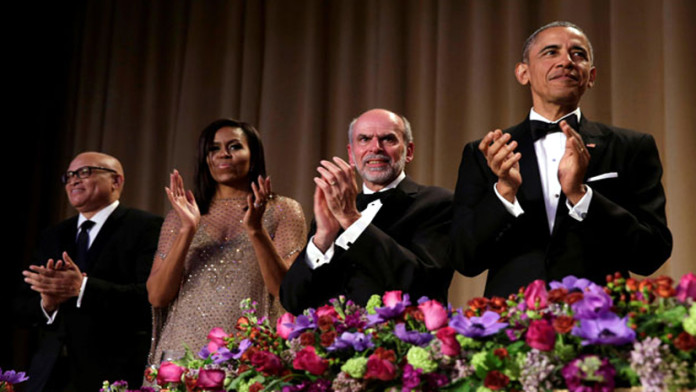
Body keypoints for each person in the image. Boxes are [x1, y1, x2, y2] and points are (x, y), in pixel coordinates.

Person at [451, 21, 672, 297]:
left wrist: (582, 195)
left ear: (590, 76)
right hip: (512, 326)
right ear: (523, 73)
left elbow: (651, 254)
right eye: (550, 52)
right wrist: (504, 192)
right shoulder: (487, 152)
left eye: (577, 54)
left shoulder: (632, 147)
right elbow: (465, 260)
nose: (566, 61)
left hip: (602, 325)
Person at [146, 119, 306, 364]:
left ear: (253, 155)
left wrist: (256, 230)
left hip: (248, 351)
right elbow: (157, 296)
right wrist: (187, 229)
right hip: (181, 353)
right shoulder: (181, 216)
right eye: (214, 148)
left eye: (234, 146)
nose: (223, 154)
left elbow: (286, 292)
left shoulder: (283, 210)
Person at [280, 108, 454, 315]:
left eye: (388, 139)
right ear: (351, 154)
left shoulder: (439, 203)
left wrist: (353, 220)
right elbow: (292, 301)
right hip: (331, 343)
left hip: (401, 342)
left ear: (409, 151)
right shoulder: (333, 211)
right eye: (364, 139)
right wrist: (322, 239)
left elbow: (424, 284)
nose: (375, 148)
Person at [18, 152, 163, 392]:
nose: (74, 180)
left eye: (85, 172)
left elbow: (149, 299)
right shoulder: (53, 235)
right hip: (49, 375)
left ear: (116, 181)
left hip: (113, 373)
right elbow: (21, 306)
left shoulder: (146, 227)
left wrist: (83, 287)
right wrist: (47, 304)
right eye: (69, 176)